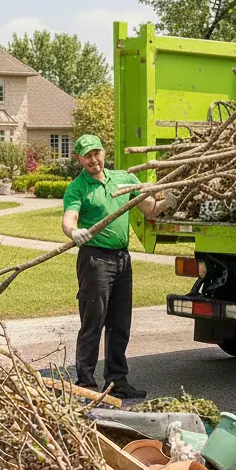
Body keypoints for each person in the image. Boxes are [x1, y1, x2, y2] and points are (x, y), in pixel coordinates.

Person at [61, 134, 172, 398]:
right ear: (79, 159)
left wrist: (167, 201)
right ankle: (86, 383)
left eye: (96, 153)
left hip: (122, 259)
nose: (93, 160)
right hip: (95, 260)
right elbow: (69, 217)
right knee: (93, 321)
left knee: (120, 323)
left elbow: (149, 208)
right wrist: (73, 232)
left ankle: (117, 382)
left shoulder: (124, 179)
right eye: (87, 156)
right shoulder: (77, 188)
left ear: (103, 152)